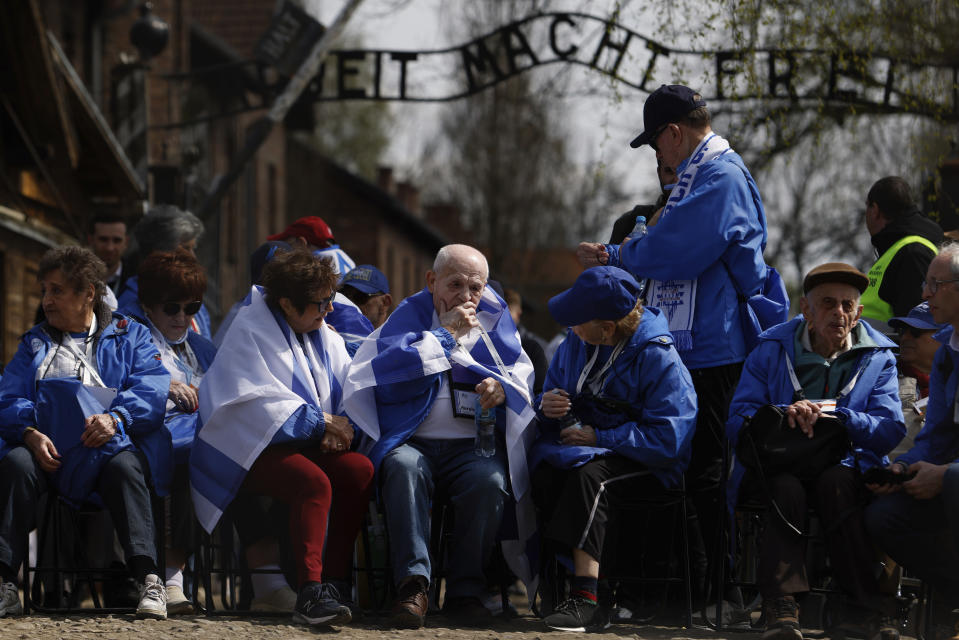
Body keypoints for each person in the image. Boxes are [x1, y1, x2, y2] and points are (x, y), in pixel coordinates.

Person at [577, 83, 770, 605]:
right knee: (688, 471)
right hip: (694, 346)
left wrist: (620, 254)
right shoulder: (706, 174)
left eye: (655, 143)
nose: (657, 155)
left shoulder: (720, 177)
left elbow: (676, 250)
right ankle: (687, 588)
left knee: (707, 472)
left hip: (714, 348)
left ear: (674, 133)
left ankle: (718, 591)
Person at [343, 244, 536, 629]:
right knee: (402, 468)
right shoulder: (407, 316)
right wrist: (444, 335)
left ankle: (466, 589)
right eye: (455, 284)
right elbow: (384, 380)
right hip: (413, 441)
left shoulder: (495, 320)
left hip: (472, 447)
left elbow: (520, 379)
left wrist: (502, 393)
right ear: (432, 281)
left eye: (475, 287)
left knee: (491, 481)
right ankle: (413, 585)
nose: (466, 297)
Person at [191, 247, 374, 627]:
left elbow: (348, 385)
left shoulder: (321, 330)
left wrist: (335, 426)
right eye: (320, 304)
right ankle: (309, 592)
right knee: (313, 482)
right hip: (246, 449)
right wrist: (321, 424)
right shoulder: (249, 329)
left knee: (358, 470)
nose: (328, 311)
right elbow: (253, 404)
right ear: (288, 304)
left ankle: (334, 584)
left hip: (303, 442)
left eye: (329, 301)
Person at [725, 263, 905, 640]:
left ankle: (859, 608)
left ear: (857, 313)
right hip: (779, 463)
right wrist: (782, 414)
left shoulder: (879, 357)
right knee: (786, 488)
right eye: (827, 304)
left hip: (846, 465)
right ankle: (782, 607)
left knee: (837, 484)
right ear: (806, 309)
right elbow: (737, 420)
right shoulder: (771, 348)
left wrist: (840, 417)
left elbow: (889, 430)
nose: (838, 313)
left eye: (846, 305)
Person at [0, 247, 170, 619]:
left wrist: (116, 419)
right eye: (45, 290)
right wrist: (28, 432)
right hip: (46, 454)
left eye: (57, 291)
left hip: (109, 447)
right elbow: (8, 396)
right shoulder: (33, 343)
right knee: (14, 463)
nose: (46, 301)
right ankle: (5, 584)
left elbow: (152, 388)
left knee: (127, 469)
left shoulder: (130, 336)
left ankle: (148, 580)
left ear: (89, 293)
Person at [529, 266, 697, 631]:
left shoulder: (658, 356)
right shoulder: (576, 343)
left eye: (577, 319)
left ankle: (586, 599)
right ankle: (560, 586)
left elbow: (669, 440)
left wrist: (600, 438)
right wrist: (548, 405)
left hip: (650, 462)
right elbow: (552, 393)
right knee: (543, 471)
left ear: (606, 328)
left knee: (592, 478)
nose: (568, 326)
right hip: (587, 448)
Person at [865, 244, 959, 640]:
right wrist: (902, 469)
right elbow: (935, 436)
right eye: (927, 284)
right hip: (951, 477)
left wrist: (947, 475)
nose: (925, 294)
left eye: (935, 285)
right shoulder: (948, 353)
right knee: (885, 516)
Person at [126, 249, 217, 613]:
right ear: (147, 305)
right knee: (186, 458)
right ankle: (173, 579)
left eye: (191, 308)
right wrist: (162, 389)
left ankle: (269, 580)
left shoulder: (203, 348)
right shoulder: (129, 337)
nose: (182, 318)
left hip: (202, 441)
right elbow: (116, 388)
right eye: (171, 308)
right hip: (147, 437)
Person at [118, 205, 212, 338]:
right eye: (185, 248)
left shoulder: (197, 304)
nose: (193, 256)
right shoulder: (130, 306)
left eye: (190, 309)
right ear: (161, 253)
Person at [861, 176, 942, 328]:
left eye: (867, 207)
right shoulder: (897, 248)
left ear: (875, 210)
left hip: (891, 350)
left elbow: (916, 324)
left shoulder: (912, 253)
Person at [887, 301, 945, 459]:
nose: (905, 337)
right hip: (890, 475)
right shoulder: (882, 377)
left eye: (915, 332)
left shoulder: (953, 383)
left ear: (945, 335)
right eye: (902, 331)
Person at [607, 161, 677, 244]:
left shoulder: (696, 221)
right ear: (659, 173)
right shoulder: (629, 222)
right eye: (669, 171)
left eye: (685, 171)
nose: (677, 179)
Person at [502, 287, 549, 395]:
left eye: (506, 314)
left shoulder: (534, 348)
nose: (501, 320)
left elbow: (543, 394)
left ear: (518, 314)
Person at [87, 213, 131, 297]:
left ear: (126, 242)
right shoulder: (73, 279)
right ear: (91, 240)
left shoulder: (138, 281)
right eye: (103, 239)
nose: (109, 248)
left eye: (117, 240)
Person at [340, 264, 393, 329]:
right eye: (344, 296)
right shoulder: (330, 336)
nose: (349, 304)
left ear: (385, 303)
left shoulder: (401, 339)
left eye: (359, 297)